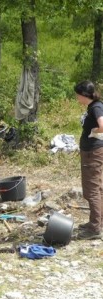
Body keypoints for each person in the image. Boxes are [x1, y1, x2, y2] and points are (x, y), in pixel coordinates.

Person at [74, 80, 103, 240]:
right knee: (97, 188)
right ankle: (97, 222)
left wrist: (94, 132)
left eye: (78, 95)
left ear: (85, 95)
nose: (77, 98)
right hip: (93, 151)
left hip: (92, 152)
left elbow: (102, 125)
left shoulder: (96, 107)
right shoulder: (94, 106)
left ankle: (94, 229)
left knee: (91, 190)